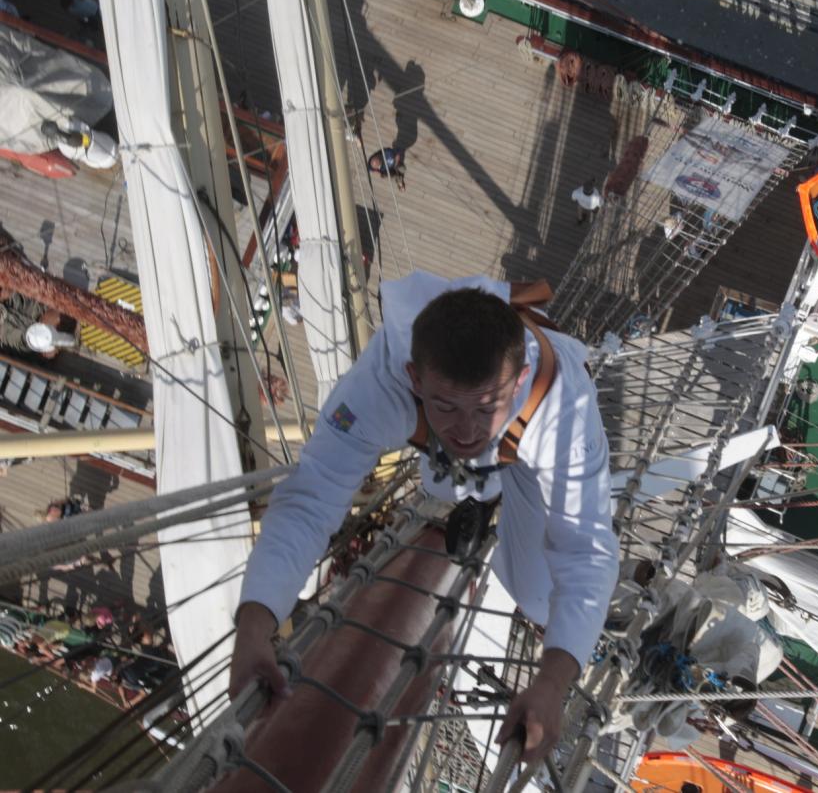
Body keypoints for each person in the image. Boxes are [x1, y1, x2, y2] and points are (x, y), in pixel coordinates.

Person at [231, 273, 619, 764]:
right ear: (414, 379)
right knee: (448, 474)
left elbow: (584, 550)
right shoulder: (377, 387)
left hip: (526, 452)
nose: (465, 428)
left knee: (540, 601)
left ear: (518, 382)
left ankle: (489, 477)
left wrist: (553, 681)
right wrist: (253, 625)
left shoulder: (564, 408)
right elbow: (312, 498)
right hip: (462, 434)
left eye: (485, 406)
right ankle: (473, 474)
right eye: (445, 405)